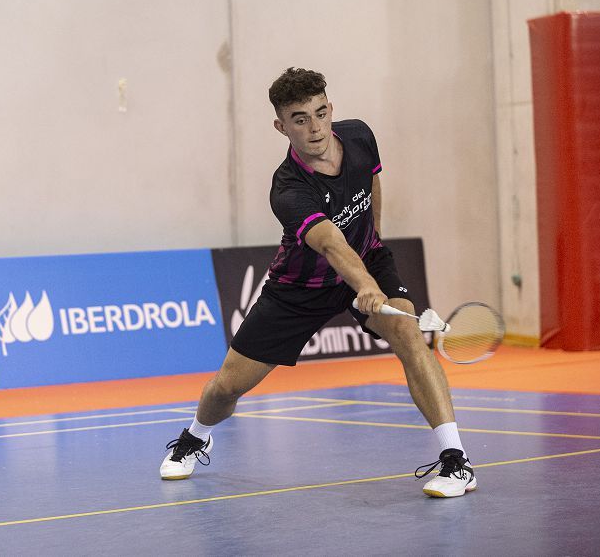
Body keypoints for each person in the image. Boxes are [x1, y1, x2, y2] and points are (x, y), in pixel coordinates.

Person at [159, 67, 476, 498]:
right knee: (227, 386)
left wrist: (375, 245)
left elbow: (371, 183)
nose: (315, 128)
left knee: (408, 336)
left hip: (367, 261)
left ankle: (456, 462)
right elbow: (329, 244)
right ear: (281, 126)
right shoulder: (288, 186)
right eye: (300, 119)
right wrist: (367, 284)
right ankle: (197, 435)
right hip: (298, 290)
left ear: (332, 109)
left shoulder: (360, 137)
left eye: (320, 112)